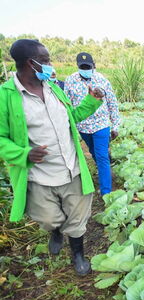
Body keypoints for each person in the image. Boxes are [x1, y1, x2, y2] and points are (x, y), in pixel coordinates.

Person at [0, 39, 105, 275]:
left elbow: (71, 118)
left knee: (78, 219)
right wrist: (23, 154)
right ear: (31, 63)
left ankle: (78, 255)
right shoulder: (6, 95)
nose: (50, 65)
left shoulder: (54, 87)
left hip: (71, 167)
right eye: (45, 60)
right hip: (40, 175)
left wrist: (92, 102)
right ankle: (55, 231)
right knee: (49, 218)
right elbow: (1, 138)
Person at [65, 52, 120, 196]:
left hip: (101, 124)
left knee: (101, 155)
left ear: (93, 66)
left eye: (87, 66)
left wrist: (115, 125)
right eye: (82, 67)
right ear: (77, 66)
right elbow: (67, 104)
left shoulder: (102, 80)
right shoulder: (70, 80)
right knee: (94, 153)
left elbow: (112, 103)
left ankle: (106, 192)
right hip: (83, 126)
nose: (85, 69)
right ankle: (106, 172)